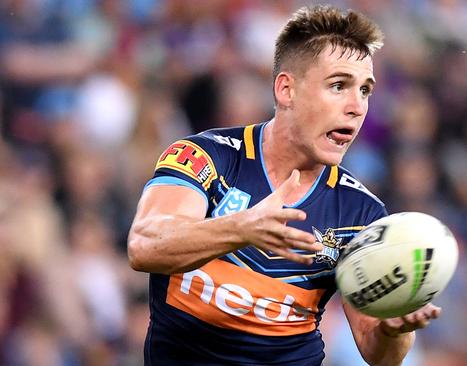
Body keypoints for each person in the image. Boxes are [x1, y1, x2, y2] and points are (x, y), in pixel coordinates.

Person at [128, 5, 440, 365]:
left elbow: (378, 354)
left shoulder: (362, 215)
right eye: (339, 85)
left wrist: (393, 328)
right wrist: (240, 228)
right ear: (286, 89)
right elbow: (144, 245)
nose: (357, 106)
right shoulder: (204, 158)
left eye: (365, 90)